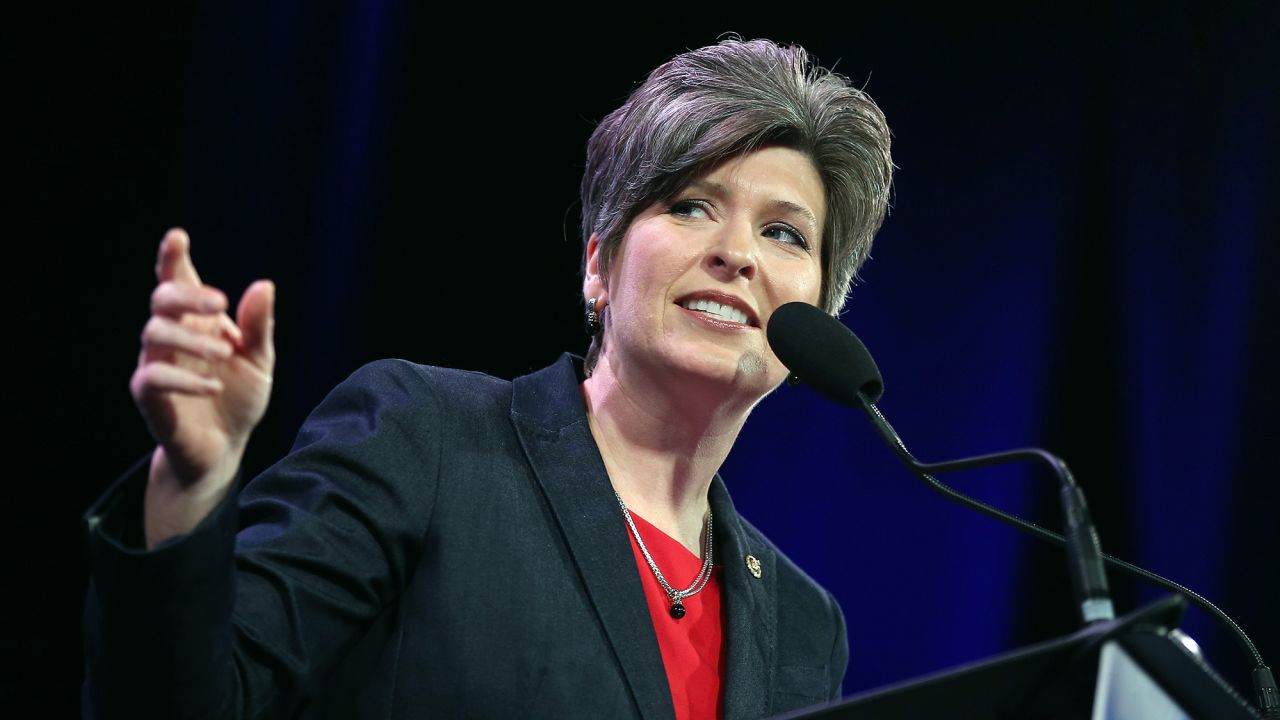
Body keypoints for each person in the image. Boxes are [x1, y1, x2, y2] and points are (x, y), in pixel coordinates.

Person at [83, 38, 893, 719]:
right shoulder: (424, 439)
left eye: (785, 232)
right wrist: (192, 486)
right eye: (690, 206)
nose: (738, 253)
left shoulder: (805, 626)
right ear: (598, 266)